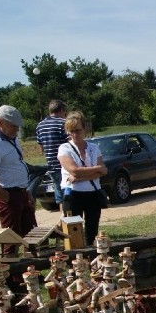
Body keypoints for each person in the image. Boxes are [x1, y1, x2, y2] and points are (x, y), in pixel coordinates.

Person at [0, 105, 38, 240]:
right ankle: (9, 261)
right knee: (12, 239)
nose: (17, 129)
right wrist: (6, 197)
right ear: (0, 123)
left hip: (21, 192)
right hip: (8, 194)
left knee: (32, 236)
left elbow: (16, 165)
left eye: (18, 126)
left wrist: (26, 191)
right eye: (13, 126)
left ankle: (31, 261)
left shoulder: (12, 139)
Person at [58, 111, 107, 246]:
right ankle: (75, 261)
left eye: (78, 130)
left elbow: (103, 171)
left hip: (92, 193)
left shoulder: (93, 147)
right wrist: (96, 168)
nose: (75, 134)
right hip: (73, 195)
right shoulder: (64, 148)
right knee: (73, 234)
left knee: (92, 231)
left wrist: (80, 177)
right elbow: (74, 170)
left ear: (85, 129)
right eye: (71, 131)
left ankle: (92, 260)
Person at [35, 99, 69, 209]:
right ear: (61, 110)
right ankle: (70, 219)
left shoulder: (40, 125)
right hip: (65, 165)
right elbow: (70, 144)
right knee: (69, 193)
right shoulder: (62, 123)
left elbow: (41, 148)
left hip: (51, 164)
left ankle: (63, 218)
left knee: (59, 193)